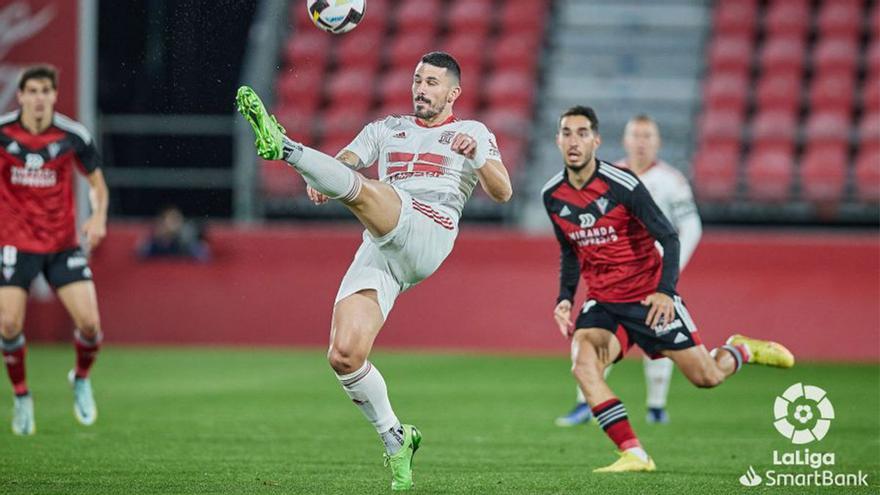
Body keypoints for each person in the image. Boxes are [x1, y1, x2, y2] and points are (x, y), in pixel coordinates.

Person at [236, 51, 511, 490]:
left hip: (430, 228)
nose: (421, 89)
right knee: (344, 354)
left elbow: (503, 192)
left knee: (370, 193)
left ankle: (285, 147)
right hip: (383, 240)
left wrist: (478, 155)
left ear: (453, 92)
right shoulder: (386, 129)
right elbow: (348, 159)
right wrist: (326, 173)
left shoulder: (471, 131)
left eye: (432, 83)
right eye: (418, 80)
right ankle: (395, 437)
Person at [542, 105, 793, 472]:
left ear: (596, 140)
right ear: (557, 140)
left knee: (706, 377)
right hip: (602, 301)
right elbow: (569, 250)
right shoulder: (553, 194)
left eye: (582, 133)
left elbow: (670, 238)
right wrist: (565, 299)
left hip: (647, 297)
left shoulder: (624, 185)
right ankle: (634, 453)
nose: (573, 141)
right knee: (583, 365)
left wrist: (664, 290)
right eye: (566, 132)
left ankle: (741, 350)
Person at [555, 114, 702, 427]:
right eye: (635, 135)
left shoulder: (672, 181)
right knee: (593, 335)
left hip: (653, 272)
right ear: (624, 140)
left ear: (658, 142)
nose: (641, 142)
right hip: (613, 274)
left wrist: (670, 276)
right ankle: (585, 403)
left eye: (647, 136)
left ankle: (656, 406)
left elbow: (690, 226)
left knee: (660, 337)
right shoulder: (606, 176)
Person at [0, 65, 108, 435]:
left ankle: (80, 378)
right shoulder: (3, 134)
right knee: (9, 324)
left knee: (90, 326)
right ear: (21, 96)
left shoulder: (73, 135)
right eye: (32, 91)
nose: (39, 98)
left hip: (62, 245)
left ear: (54, 95)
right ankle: (21, 395)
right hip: (15, 243)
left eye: (46, 91)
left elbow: (97, 184)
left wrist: (97, 218)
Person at [137, 206, 210, 262]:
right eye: (172, 220)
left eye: (177, 219)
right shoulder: (154, 241)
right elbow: (141, 252)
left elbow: (203, 255)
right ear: (163, 222)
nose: (175, 224)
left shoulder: (186, 240)